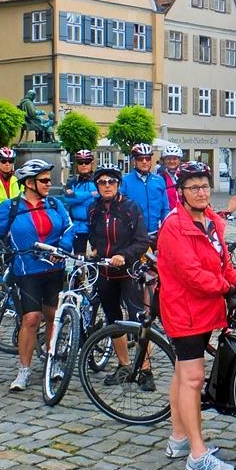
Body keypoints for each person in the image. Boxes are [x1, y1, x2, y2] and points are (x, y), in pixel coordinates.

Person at [157, 161, 236, 470]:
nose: (201, 191)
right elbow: (191, 274)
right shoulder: (174, 226)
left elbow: (222, 262)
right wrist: (226, 287)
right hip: (185, 309)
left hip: (205, 308)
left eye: (204, 186)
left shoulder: (212, 221)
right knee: (193, 379)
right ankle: (197, 454)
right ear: (180, 192)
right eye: (193, 187)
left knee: (183, 374)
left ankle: (178, 439)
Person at [0, 159, 73, 391]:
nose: (49, 184)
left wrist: (64, 246)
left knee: (52, 316)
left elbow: (68, 227)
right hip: (27, 270)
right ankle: (24, 370)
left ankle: (52, 360)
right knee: (30, 319)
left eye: (50, 179)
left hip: (54, 269)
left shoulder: (55, 204)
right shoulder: (12, 207)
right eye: (44, 180)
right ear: (29, 183)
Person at [86, 166, 154, 390]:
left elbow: (142, 240)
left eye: (111, 182)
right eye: (102, 182)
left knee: (137, 319)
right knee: (114, 320)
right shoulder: (93, 210)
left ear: (118, 185)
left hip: (129, 271)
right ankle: (124, 365)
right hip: (105, 272)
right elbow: (93, 236)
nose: (107, 185)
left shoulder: (129, 207)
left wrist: (122, 255)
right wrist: (95, 251)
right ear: (97, 186)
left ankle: (144, 369)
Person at [120, 143, 169, 236]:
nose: (144, 161)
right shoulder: (125, 181)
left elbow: (165, 208)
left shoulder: (159, 180)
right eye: (140, 159)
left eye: (147, 158)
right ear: (134, 161)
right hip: (134, 235)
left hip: (157, 233)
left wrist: (165, 227)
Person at [63, 150, 100, 254]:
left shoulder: (98, 180)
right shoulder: (72, 181)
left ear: (92, 163)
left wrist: (78, 196)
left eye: (87, 161)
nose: (84, 165)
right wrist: (90, 194)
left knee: (97, 256)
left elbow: (102, 198)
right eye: (80, 162)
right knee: (79, 258)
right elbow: (69, 198)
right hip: (78, 226)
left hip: (96, 225)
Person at [157, 144, 184, 210]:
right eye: (168, 159)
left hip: (185, 214)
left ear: (179, 160)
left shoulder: (185, 175)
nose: (171, 161)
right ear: (164, 161)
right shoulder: (159, 178)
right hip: (168, 215)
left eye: (175, 159)